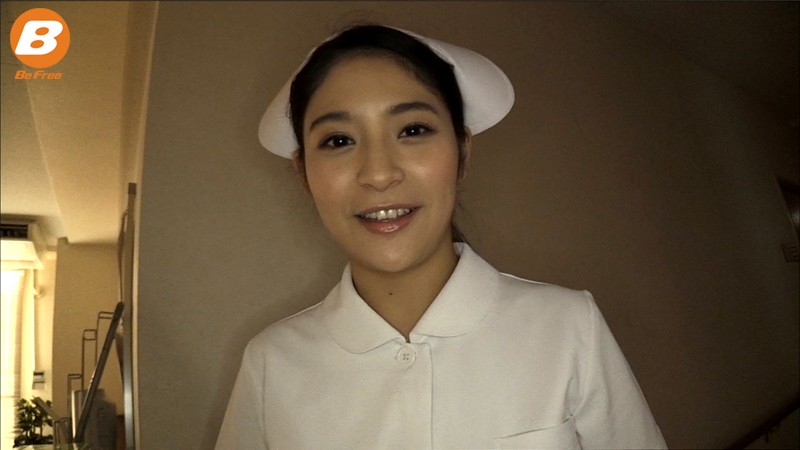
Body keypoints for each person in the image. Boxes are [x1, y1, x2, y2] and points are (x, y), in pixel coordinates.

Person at [216, 24, 667, 449]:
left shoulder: (567, 327)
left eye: (413, 130)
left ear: (462, 151)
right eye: (338, 141)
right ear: (304, 173)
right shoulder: (271, 364)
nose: (378, 173)